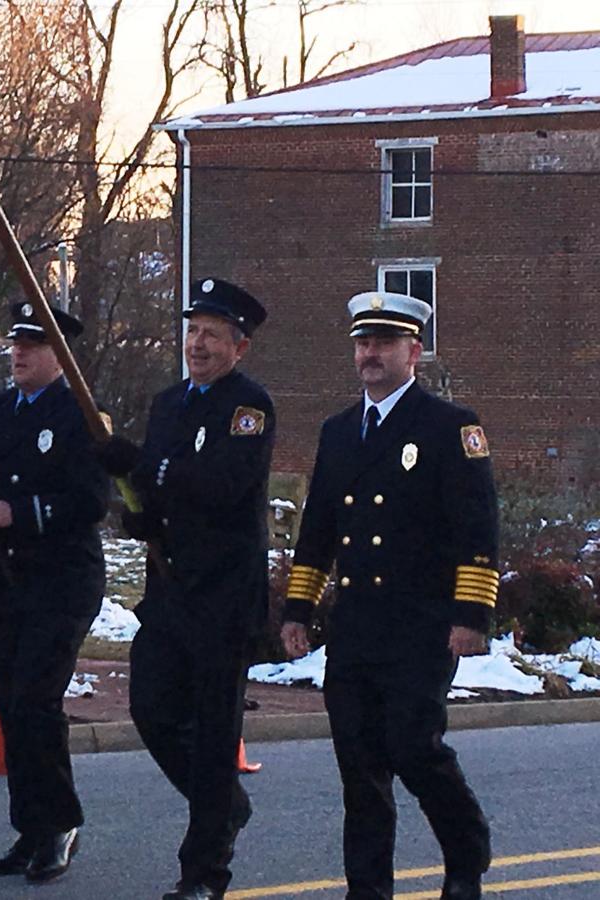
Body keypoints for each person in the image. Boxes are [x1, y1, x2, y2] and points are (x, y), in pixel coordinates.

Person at [280, 291, 497, 900]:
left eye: (384, 343)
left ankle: (466, 852)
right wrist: (299, 607)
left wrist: (472, 615)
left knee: (412, 748)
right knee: (359, 765)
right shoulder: (339, 430)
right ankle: (367, 888)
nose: (370, 354)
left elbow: (477, 529)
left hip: (421, 625)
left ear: (414, 351)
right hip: (355, 628)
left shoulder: (450, 426)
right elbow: (318, 527)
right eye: (362, 343)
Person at [97, 277, 274, 900]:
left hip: (223, 599)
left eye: (212, 335)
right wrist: (135, 505)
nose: (197, 345)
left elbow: (218, 486)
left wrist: (144, 466)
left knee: (213, 729)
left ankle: (204, 871)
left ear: (239, 346)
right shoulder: (169, 403)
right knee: (150, 707)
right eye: (192, 331)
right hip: (171, 593)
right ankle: (224, 801)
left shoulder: (249, 408)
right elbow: (157, 497)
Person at [0, 302, 108, 884]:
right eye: (16, 343)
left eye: (33, 345)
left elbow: (91, 502)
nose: (19, 354)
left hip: (60, 579)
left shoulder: (80, 413)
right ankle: (29, 829)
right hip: (6, 584)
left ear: (59, 354)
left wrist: (22, 512)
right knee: (13, 707)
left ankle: (61, 822)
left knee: (37, 699)